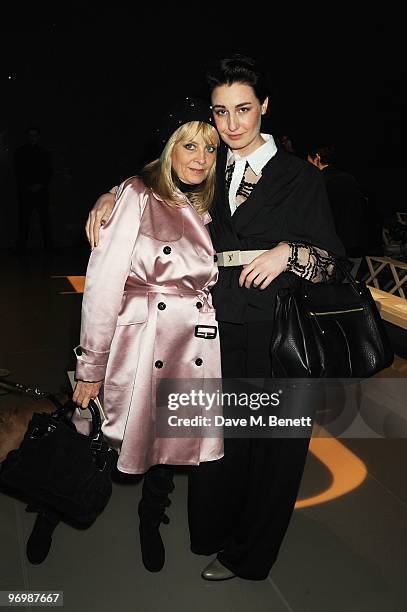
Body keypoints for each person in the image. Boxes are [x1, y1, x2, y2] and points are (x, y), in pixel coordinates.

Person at [85, 55, 344, 582]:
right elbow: (160, 176)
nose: (230, 125)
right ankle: (212, 535)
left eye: (243, 110)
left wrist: (290, 253)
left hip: (279, 333)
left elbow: (333, 264)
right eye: (221, 112)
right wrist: (112, 192)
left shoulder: (299, 177)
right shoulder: (213, 164)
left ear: (264, 107)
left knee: (273, 454)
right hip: (217, 332)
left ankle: (250, 557)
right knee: (220, 448)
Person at [72, 98, 222, 573]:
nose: (201, 157)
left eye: (212, 147)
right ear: (169, 148)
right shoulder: (137, 194)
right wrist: (90, 369)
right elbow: (101, 288)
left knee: (170, 447)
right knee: (99, 436)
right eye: (190, 144)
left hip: (193, 342)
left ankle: (150, 517)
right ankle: (55, 508)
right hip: (141, 342)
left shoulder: (206, 202)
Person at [307, 144, 368, 277]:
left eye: (309, 162)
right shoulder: (349, 178)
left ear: (317, 158)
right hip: (354, 241)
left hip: (331, 245)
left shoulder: (318, 180)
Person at [14, 127, 54, 252]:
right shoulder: (20, 152)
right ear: (28, 137)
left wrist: (40, 185)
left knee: (44, 221)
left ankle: (48, 247)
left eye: (35, 135)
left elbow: (48, 172)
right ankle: (21, 248)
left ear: (38, 137)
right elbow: (17, 172)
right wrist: (29, 186)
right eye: (31, 135)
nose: (33, 138)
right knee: (24, 221)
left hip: (40, 192)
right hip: (27, 192)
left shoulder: (44, 153)